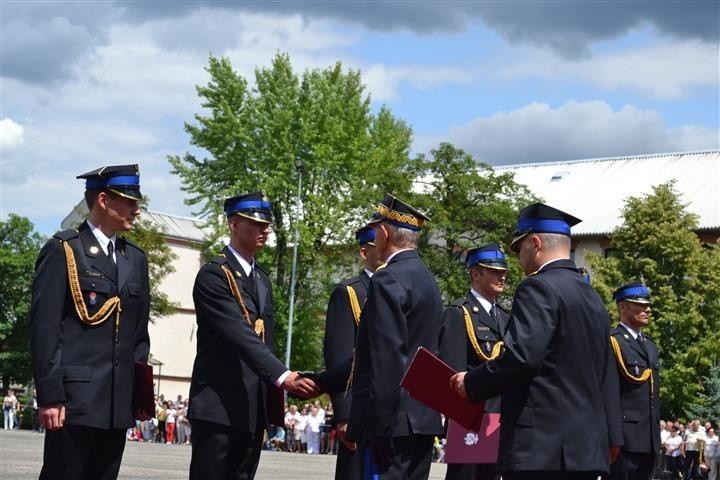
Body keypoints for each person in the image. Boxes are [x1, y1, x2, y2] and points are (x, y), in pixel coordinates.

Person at [450, 202, 623, 480]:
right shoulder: (592, 297)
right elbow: (604, 373)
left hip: (542, 450)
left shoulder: (538, 287)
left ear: (535, 243)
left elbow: (521, 358)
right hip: (586, 452)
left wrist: (471, 383)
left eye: (519, 249)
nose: (518, 259)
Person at [29, 164, 151, 480]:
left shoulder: (135, 258)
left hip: (117, 404)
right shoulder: (65, 249)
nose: (136, 211)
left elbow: (138, 335)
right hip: (74, 400)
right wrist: (50, 395)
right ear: (103, 200)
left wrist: (138, 396)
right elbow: (45, 329)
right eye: (130, 202)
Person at [187, 192, 318, 480]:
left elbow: (264, 341)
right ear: (234, 224)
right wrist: (283, 376)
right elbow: (240, 334)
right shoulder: (215, 275)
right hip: (218, 406)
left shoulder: (261, 278)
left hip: (252, 406)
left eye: (267, 224)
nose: (265, 230)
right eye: (256, 224)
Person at [347, 194, 444, 480]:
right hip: (422, 419)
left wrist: (381, 427)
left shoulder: (387, 278)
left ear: (384, 232)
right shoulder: (427, 280)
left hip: (392, 424)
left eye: (376, 230)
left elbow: (387, 360)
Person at [438, 243, 509, 480]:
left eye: (503, 272)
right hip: (472, 416)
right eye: (494, 271)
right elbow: (452, 373)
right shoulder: (459, 312)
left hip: (501, 417)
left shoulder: (505, 317)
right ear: (475, 274)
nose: (502, 276)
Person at [322, 225, 382, 479]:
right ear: (364, 252)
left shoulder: (400, 289)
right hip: (360, 408)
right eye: (379, 246)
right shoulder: (350, 292)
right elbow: (339, 355)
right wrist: (345, 415)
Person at [609, 281, 660, 480]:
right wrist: (613, 438)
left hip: (649, 441)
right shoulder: (613, 341)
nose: (647, 309)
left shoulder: (650, 346)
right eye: (640, 304)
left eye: (648, 304)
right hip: (624, 441)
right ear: (623, 307)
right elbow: (609, 393)